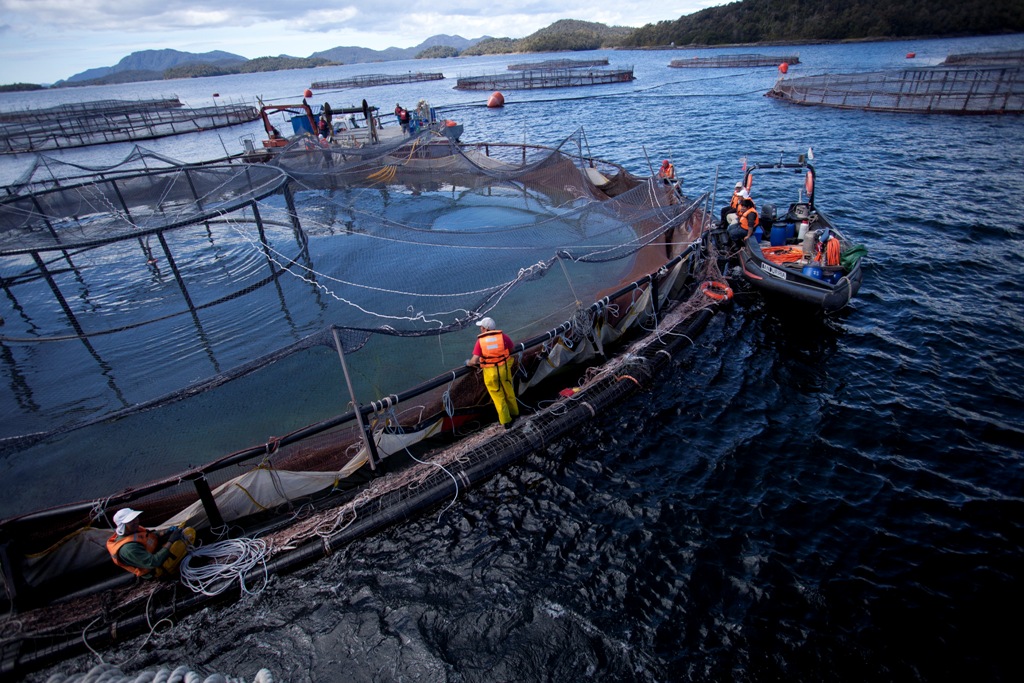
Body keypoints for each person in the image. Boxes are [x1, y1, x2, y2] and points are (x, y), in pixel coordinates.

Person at [106, 508, 195, 579]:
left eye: (135, 518)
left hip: (156, 551)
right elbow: (154, 562)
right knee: (189, 533)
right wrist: (171, 541)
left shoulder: (133, 530)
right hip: (157, 569)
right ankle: (174, 569)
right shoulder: (129, 549)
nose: (136, 521)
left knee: (182, 532)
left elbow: (149, 536)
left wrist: (166, 532)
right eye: (131, 521)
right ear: (123, 526)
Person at [466, 317, 519, 430]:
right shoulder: (503, 336)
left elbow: (474, 361)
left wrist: (468, 363)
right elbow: (512, 349)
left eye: (481, 327)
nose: (480, 329)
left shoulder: (480, 341)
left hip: (491, 373)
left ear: (485, 329)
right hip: (504, 370)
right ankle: (515, 413)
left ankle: (506, 421)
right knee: (509, 392)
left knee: (498, 397)